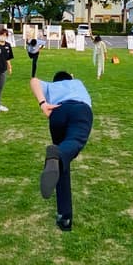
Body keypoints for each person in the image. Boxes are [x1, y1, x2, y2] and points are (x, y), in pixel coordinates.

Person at [32, 70, 94, 232]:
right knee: (74, 141)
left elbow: (34, 80)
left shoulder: (51, 86)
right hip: (80, 110)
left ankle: (64, 216)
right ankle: (57, 154)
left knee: (60, 164)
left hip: (57, 112)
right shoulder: (77, 81)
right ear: (70, 78)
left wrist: (42, 103)